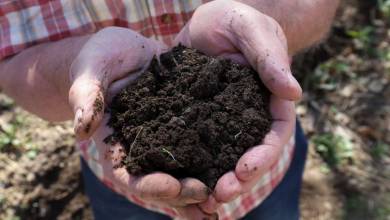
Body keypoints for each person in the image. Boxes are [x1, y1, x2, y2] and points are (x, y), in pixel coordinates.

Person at [0, 0, 340, 219]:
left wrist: (253, 23)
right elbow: (12, 62)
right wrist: (78, 65)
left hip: (265, 169)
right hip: (124, 184)